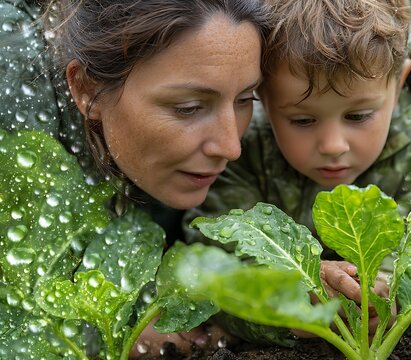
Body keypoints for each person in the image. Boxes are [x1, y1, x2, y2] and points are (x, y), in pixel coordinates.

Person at [1, 0, 270, 357]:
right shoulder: (14, 65)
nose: (230, 146)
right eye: (188, 108)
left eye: (245, 98)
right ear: (84, 87)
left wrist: (279, 294)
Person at [184, 0, 411, 345]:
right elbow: (212, 265)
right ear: (261, 95)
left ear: (398, 85)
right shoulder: (244, 151)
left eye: (357, 116)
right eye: (303, 120)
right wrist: (290, 297)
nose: (333, 145)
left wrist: (386, 291)